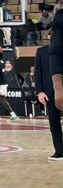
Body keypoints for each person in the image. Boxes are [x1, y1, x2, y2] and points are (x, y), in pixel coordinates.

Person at [36, 22, 62, 160]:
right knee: (54, 123)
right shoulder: (41, 51)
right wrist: (39, 91)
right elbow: (38, 72)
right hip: (50, 93)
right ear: (49, 35)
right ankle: (59, 151)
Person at [0, 55, 19, 121]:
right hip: (3, 82)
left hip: (0, 84)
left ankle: (13, 115)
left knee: (2, 98)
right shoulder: (2, 62)